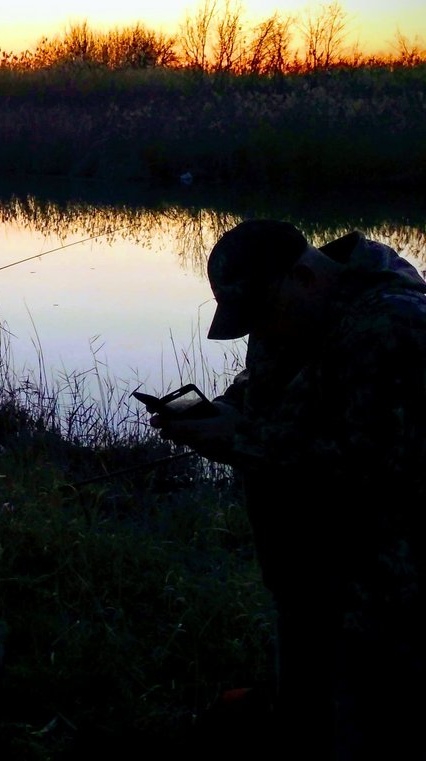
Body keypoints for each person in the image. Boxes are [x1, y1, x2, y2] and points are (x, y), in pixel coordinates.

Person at [155, 219, 426, 758]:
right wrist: (223, 411)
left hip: (379, 594)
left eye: (260, 315)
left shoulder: (395, 329)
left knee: (369, 725)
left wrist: (245, 438)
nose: (259, 331)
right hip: (309, 573)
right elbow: (266, 382)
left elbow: (382, 469)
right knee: (303, 712)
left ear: (302, 276)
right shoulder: (298, 310)